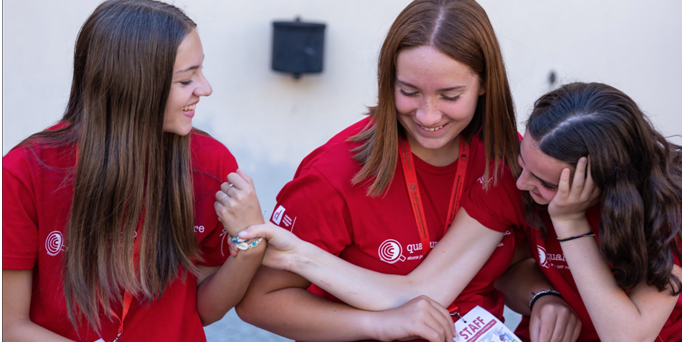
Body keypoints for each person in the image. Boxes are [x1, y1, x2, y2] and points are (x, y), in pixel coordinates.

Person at [230, 1, 579, 341]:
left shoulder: (513, 162)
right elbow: (258, 302)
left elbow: (510, 264)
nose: (428, 116)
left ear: (485, 84)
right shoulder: (334, 174)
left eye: (450, 95)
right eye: (409, 92)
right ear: (388, 81)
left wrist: (540, 296)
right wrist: (377, 325)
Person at [236, 82, 682, 342]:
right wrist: (300, 255)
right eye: (523, 164)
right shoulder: (515, 179)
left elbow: (627, 335)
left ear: (606, 183)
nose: (522, 185)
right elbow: (423, 288)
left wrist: (567, 222)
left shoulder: (669, 204)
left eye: (545, 183)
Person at [2, 1, 265, 341]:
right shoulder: (27, 171)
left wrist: (251, 246)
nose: (205, 88)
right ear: (134, 87)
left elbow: (202, 310)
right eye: (186, 79)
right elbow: (10, 326)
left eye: (201, 71)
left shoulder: (212, 164)